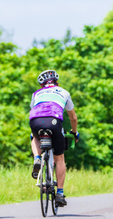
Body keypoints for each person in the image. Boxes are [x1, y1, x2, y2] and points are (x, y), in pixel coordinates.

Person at [29, 69, 79, 207]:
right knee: (60, 158)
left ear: (42, 85)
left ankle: (37, 158)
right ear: (57, 82)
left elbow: (32, 109)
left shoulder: (36, 93)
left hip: (35, 120)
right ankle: (60, 194)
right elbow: (73, 117)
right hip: (54, 121)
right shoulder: (64, 92)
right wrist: (74, 132)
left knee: (34, 136)